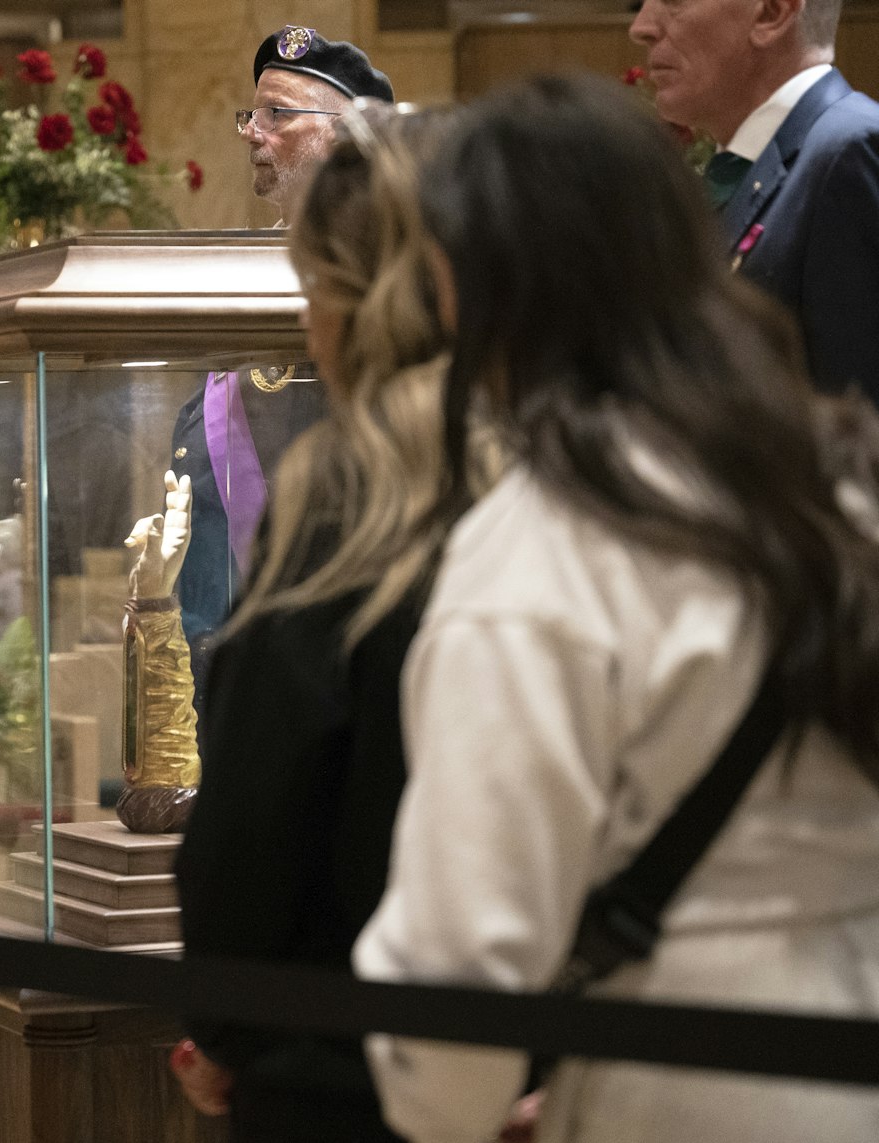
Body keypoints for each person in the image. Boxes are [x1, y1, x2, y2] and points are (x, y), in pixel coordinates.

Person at [352, 75, 879, 1143]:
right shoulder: (841, 475)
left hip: (681, 1093)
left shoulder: (541, 551)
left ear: (477, 288)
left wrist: (449, 1104)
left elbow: (460, 964)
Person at [173, 104, 500, 1142]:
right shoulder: (594, 465)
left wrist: (225, 1031)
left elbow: (257, 814)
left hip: (347, 1053)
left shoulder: (348, 499)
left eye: (314, 288)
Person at [172, 25, 392, 699]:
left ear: (349, 132)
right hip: (236, 620)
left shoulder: (390, 272)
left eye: (279, 114)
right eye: (252, 113)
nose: (252, 131)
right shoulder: (242, 271)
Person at [630, 0, 879, 402]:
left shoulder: (850, 150)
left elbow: (862, 421)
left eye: (673, 2)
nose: (641, 27)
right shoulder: (746, 161)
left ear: (771, 14)